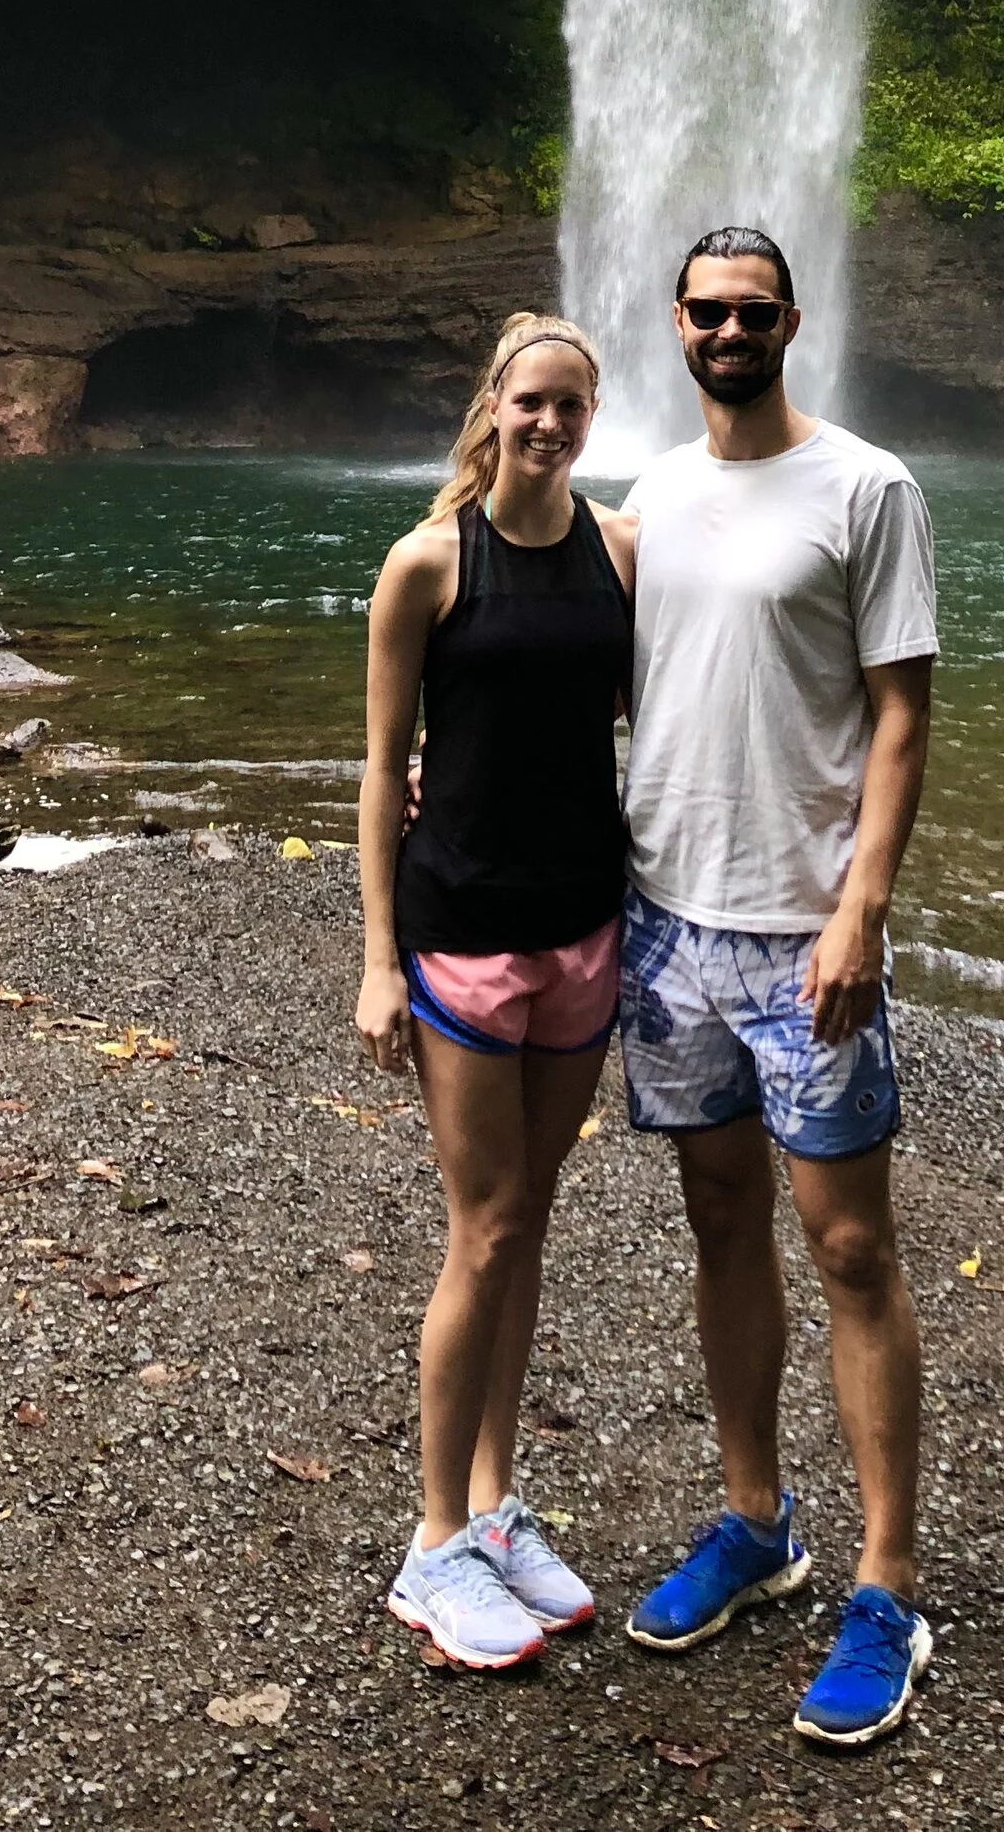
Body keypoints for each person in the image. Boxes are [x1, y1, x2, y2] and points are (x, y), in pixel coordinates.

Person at [617, 226, 938, 1748]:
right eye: (706, 310)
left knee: (852, 1245)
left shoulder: (868, 487)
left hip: (805, 933)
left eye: (753, 309)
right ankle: (757, 1520)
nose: (729, 328)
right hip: (670, 927)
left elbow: (900, 716)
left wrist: (861, 908)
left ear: (791, 322)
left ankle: (889, 1582)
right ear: (676, 325)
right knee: (721, 1220)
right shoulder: (655, 495)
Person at [355, 311, 636, 1672]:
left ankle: (494, 1502)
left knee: (529, 1223)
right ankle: (430, 1545)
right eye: (531, 401)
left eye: (572, 406)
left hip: (585, 927)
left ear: (592, 416)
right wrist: (372, 962)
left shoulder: (621, 553)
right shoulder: (425, 566)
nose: (549, 423)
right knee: (483, 1229)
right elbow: (376, 769)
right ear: (494, 406)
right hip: (462, 932)